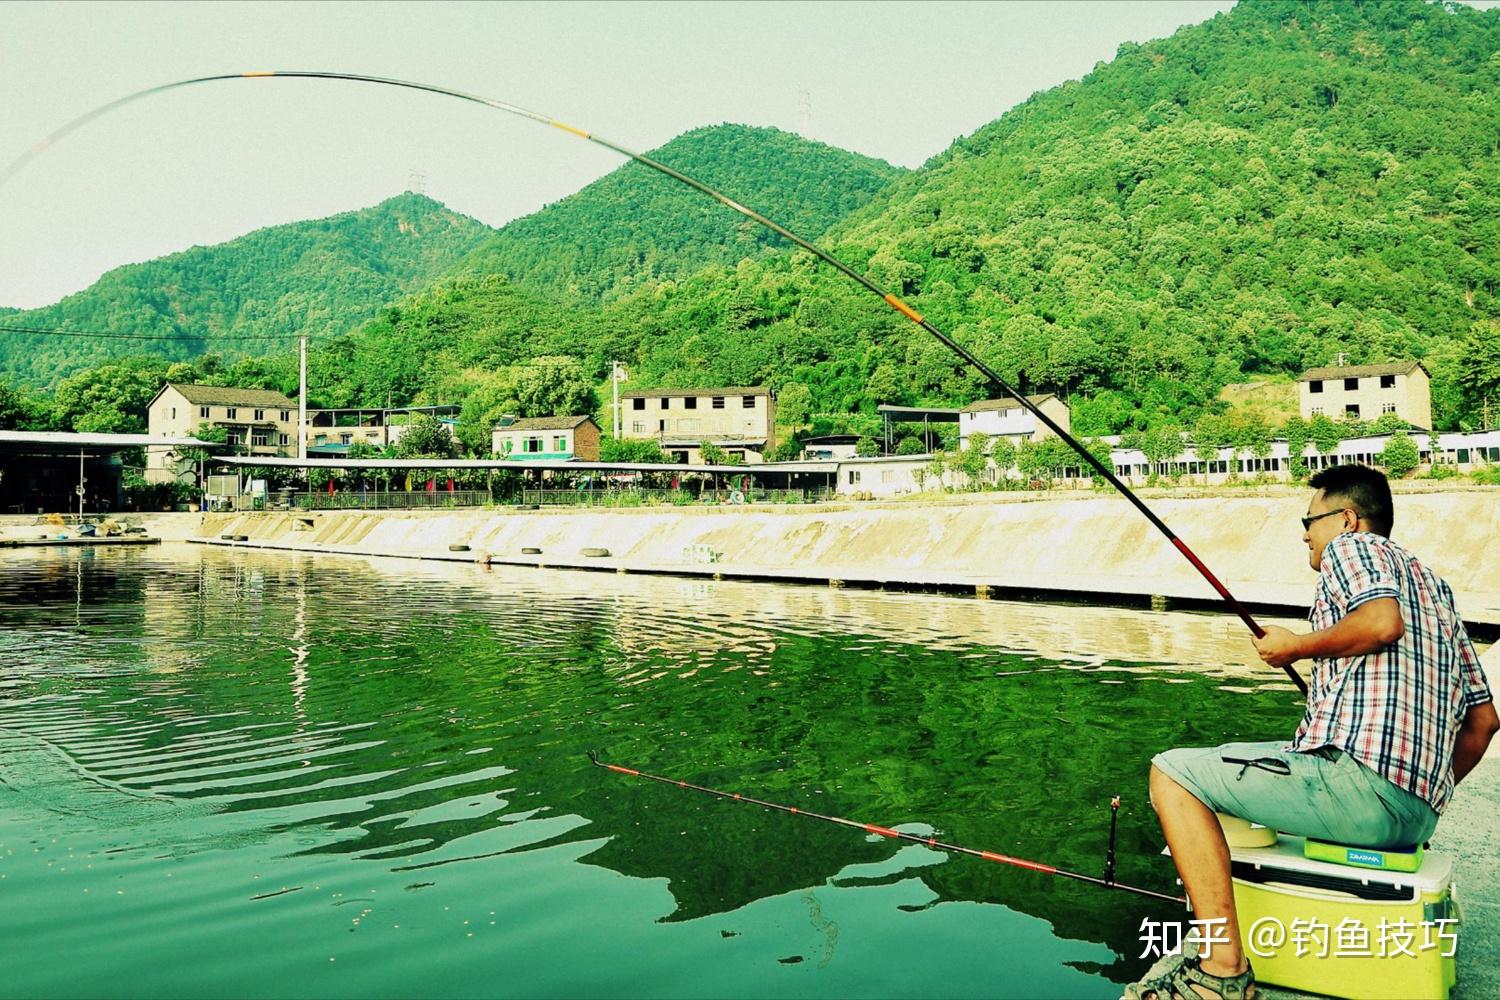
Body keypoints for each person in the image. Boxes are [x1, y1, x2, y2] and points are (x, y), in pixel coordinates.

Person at [1125, 464, 1498, 1000]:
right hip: (1413, 819)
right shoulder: (1436, 589)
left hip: (1359, 786)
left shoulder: (1356, 549)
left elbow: (1380, 624)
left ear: (1347, 519)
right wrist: (1416, 801)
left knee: (1174, 774)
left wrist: (1296, 646)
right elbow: (1483, 724)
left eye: (1310, 518)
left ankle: (1221, 970)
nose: (1304, 532)